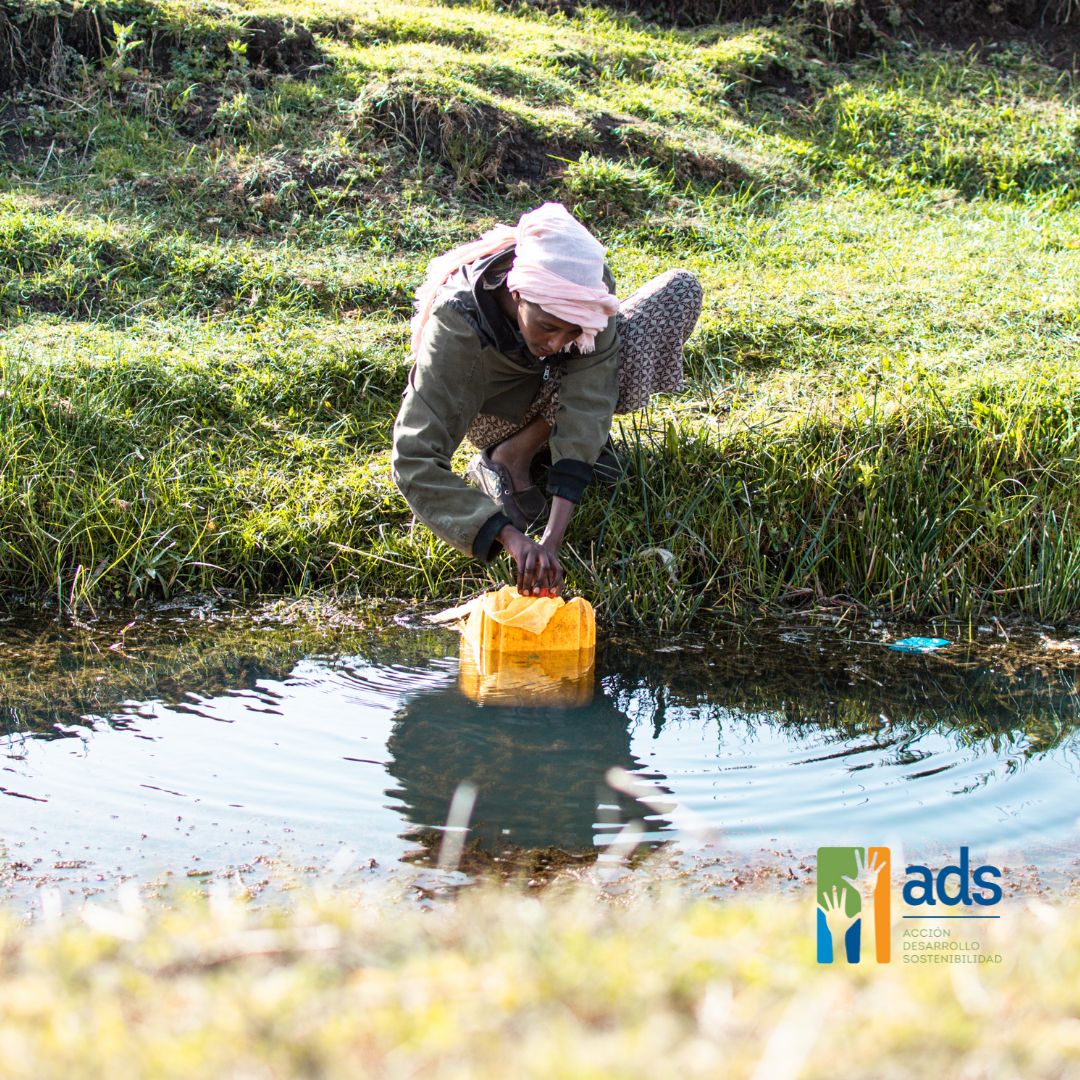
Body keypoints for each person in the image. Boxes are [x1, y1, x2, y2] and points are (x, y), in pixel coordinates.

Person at [392, 201, 702, 598]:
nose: (556, 342)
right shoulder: (457, 323)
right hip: (493, 414)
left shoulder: (589, 289)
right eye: (547, 326)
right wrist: (507, 535)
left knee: (677, 291)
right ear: (516, 291)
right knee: (565, 370)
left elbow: (590, 393)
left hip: (552, 387)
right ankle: (508, 456)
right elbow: (413, 457)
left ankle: (558, 454)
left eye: (572, 331)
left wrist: (553, 536)